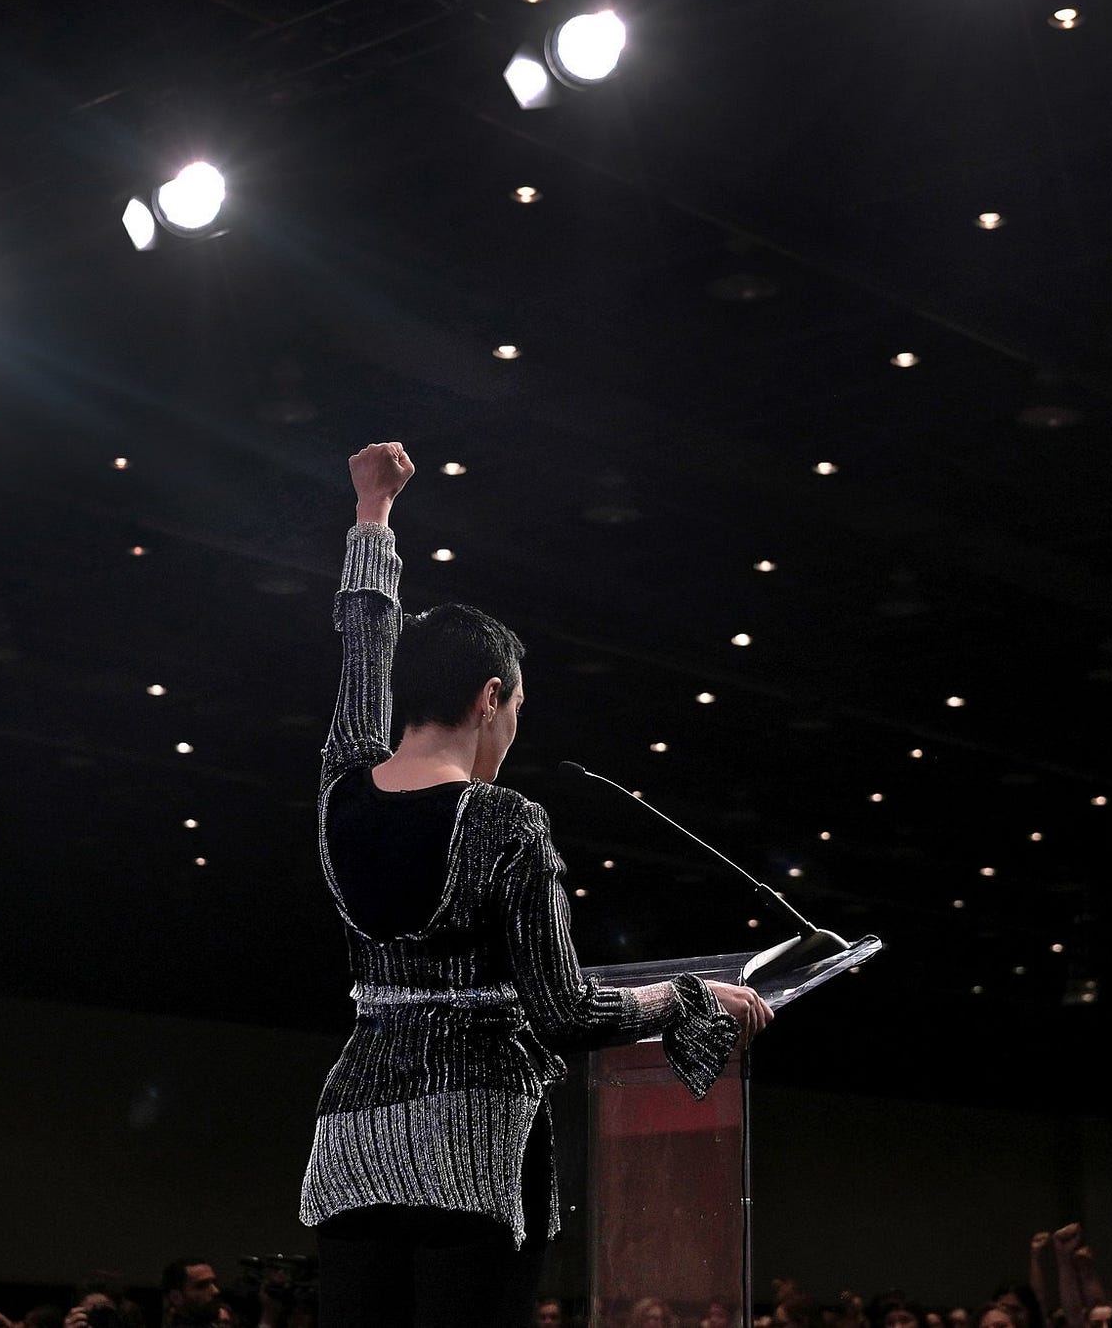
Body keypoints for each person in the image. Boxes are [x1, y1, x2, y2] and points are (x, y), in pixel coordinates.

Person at [299, 443, 771, 1328]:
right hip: (472, 1154)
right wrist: (692, 995)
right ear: (490, 697)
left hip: (351, 1144)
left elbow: (362, 644)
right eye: (516, 707)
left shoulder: (342, 786)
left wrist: (373, 514)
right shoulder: (506, 819)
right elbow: (564, 1012)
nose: (513, 725)